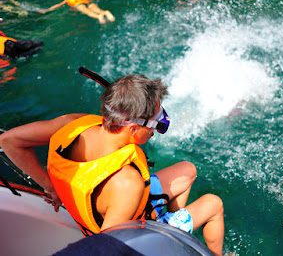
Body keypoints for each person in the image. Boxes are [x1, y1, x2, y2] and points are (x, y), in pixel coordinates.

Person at [0, 74, 224, 255]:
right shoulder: (127, 183)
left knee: (187, 170)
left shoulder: (74, 124)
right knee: (213, 204)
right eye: (157, 123)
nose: (156, 130)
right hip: (135, 227)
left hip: (107, 205)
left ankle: (172, 222)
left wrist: (49, 185)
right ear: (133, 128)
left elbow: (9, 140)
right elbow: (107, 249)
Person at [38, 0, 115, 24]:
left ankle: (98, 17)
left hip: (76, 2)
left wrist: (47, 10)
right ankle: (105, 12)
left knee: (88, 12)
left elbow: (58, 5)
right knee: (98, 10)